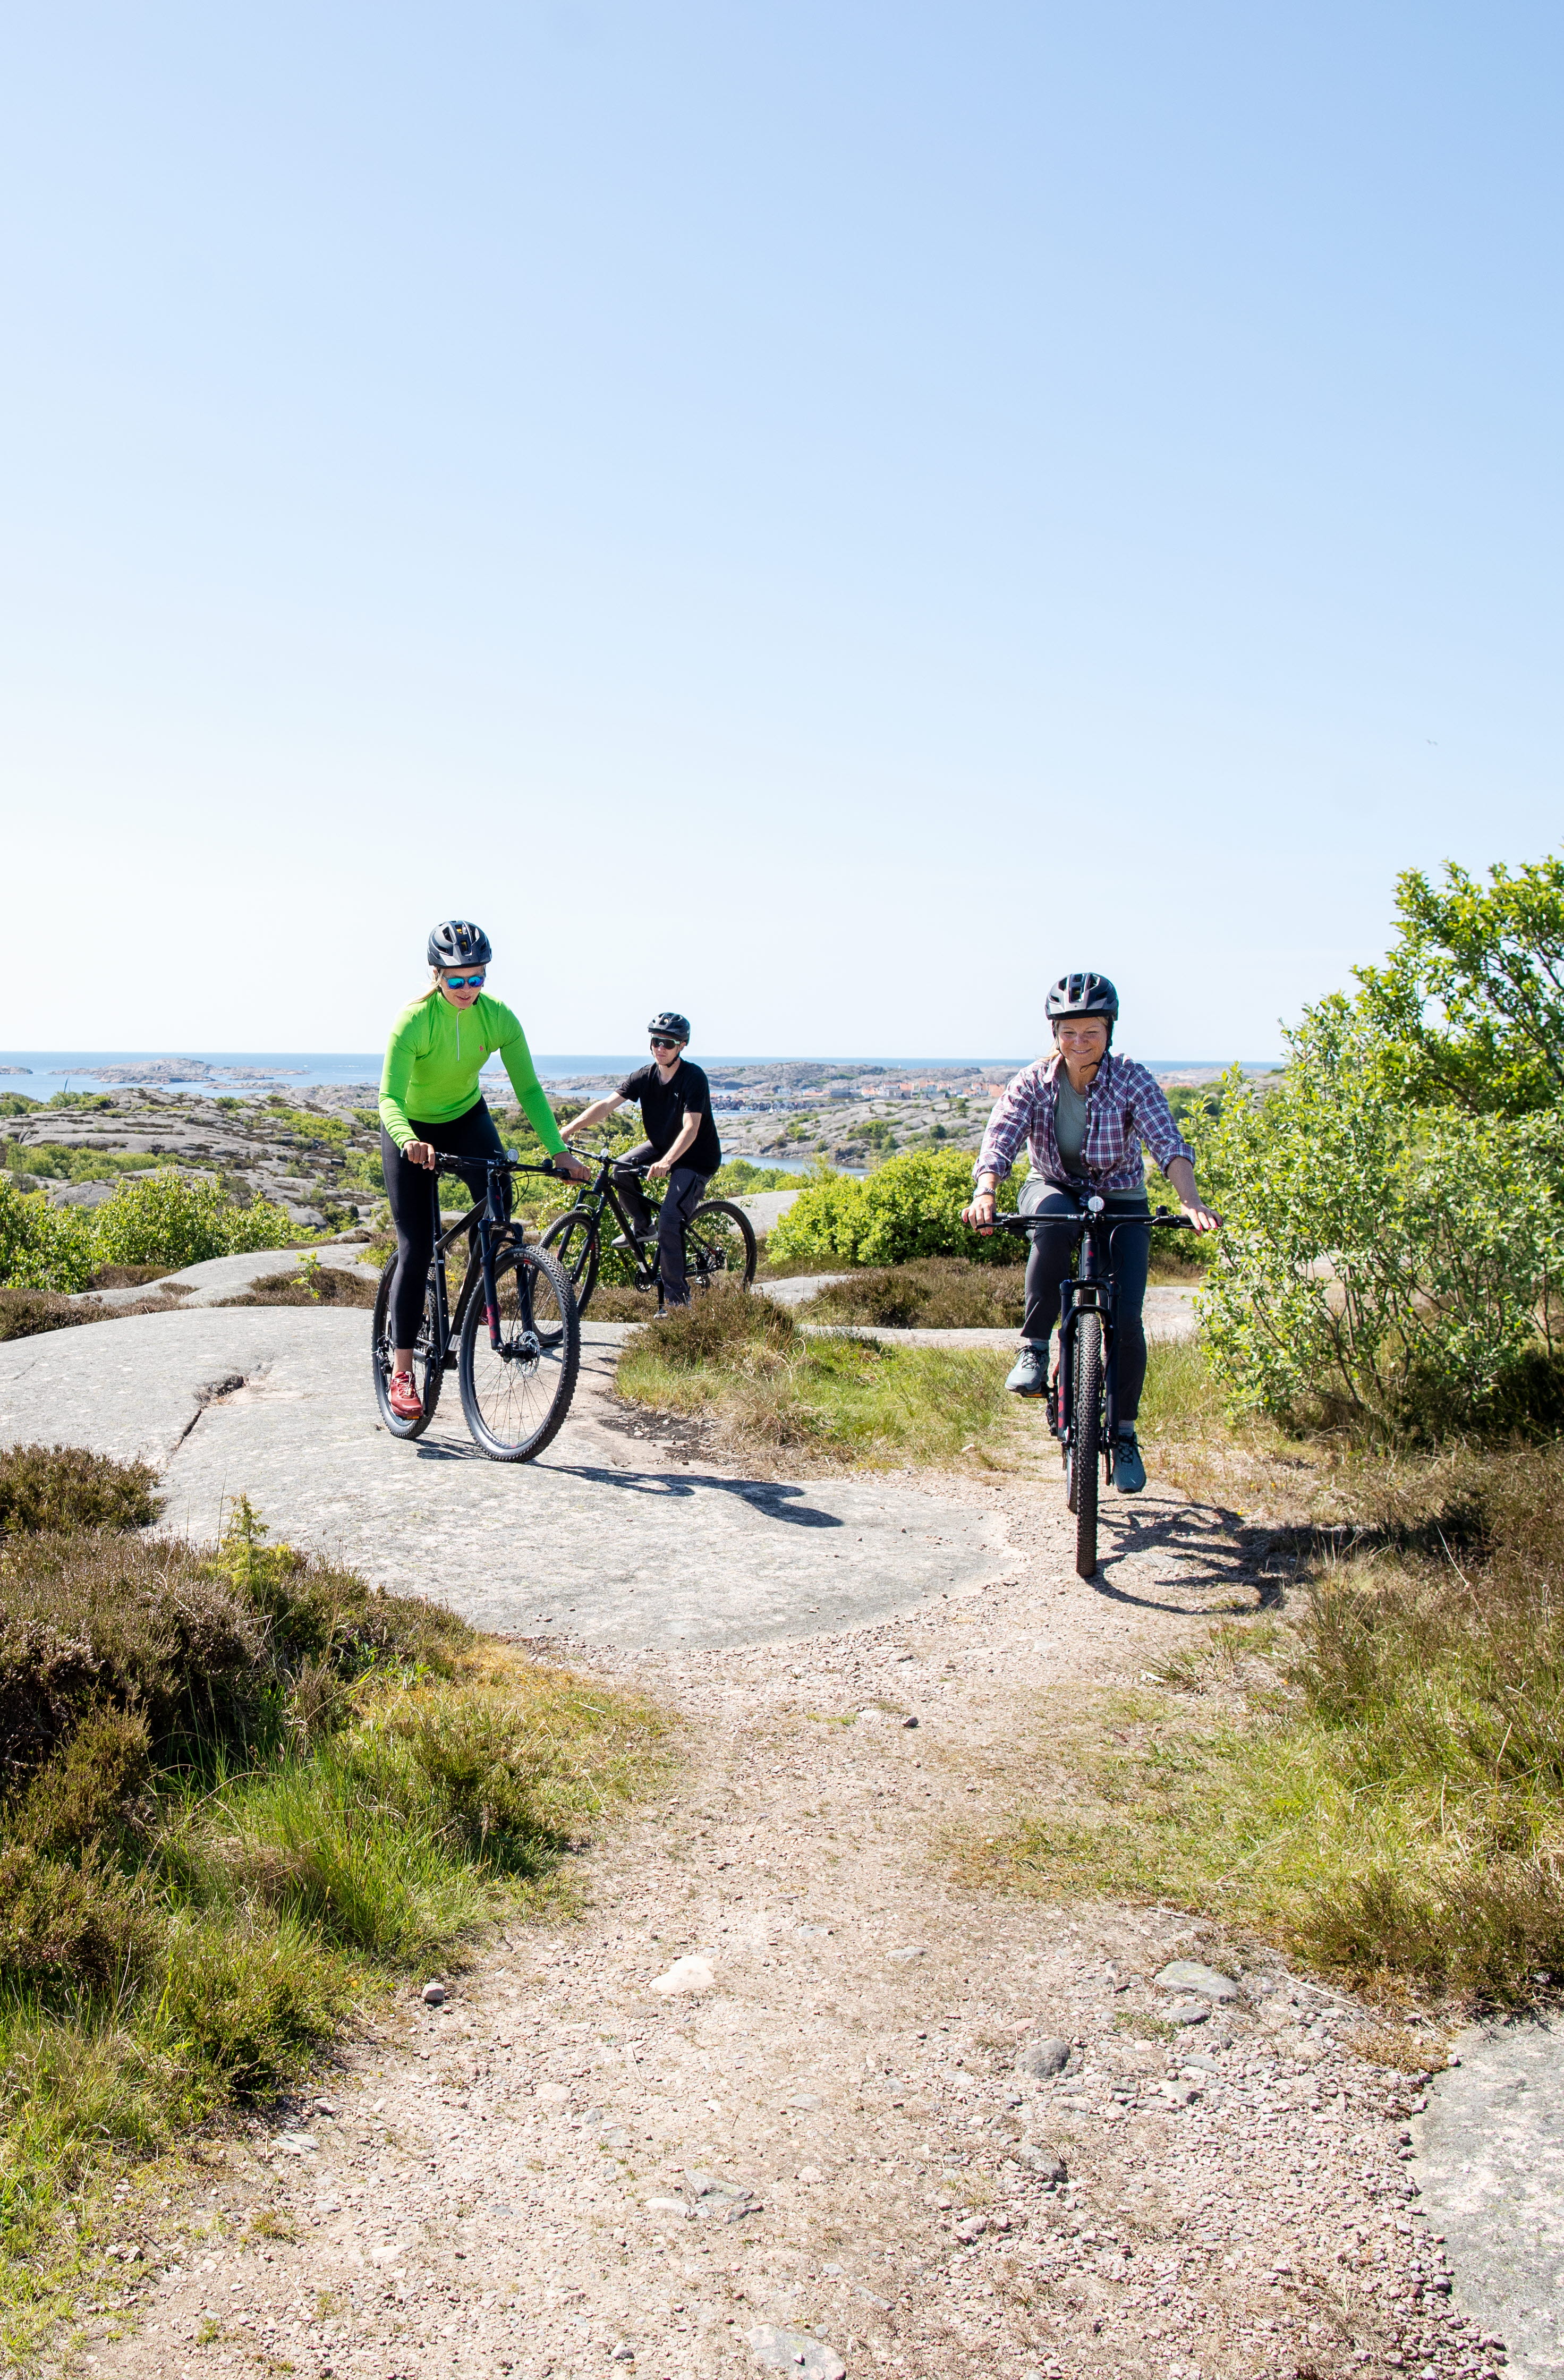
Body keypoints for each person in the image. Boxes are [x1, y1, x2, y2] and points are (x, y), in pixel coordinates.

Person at [962, 971, 1220, 1493]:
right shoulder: (1035, 1080)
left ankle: (1123, 1434)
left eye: (1092, 1032)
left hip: (1121, 1194)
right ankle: (1035, 1348)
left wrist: (1190, 1202)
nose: (1080, 1043)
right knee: (1054, 1225)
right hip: (1052, 1184)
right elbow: (1002, 1135)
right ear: (1055, 1034)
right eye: (1069, 1032)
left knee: (1124, 1318)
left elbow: (1165, 1140)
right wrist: (985, 1192)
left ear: (1109, 1032)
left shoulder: (1131, 1079)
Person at [378, 920, 586, 1420]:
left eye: (477, 978)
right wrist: (408, 1141)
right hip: (411, 1127)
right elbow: (387, 1098)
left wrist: (559, 1151)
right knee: (416, 1246)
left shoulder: (499, 1019)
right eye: (457, 980)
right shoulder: (413, 1021)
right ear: (436, 976)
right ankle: (402, 1371)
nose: (468, 990)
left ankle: (477, 1300)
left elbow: (530, 1090)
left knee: (498, 1212)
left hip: (466, 1118)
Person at [559, 1012, 721, 1306]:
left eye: (668, 1044)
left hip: (695, 1158)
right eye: (656, 1041)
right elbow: (607, 1105)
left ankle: (677, 1303)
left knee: (671, 1220)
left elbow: (691, 1128)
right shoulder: (644, 1076)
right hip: (662, 1147)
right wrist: (569, 1130)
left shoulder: (693, 1077)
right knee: (620, 1169)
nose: (660, 1048)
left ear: (682, 1046)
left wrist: (668, 1162)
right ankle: (642, 1226)